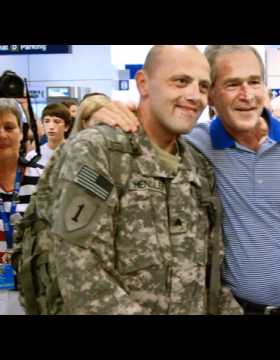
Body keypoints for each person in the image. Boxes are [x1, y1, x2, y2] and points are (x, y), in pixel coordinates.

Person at [93, 45, 280, 315]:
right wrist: (102, 117)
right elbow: (145, 135)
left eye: (254, 82)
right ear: (210, 96)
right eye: (232, 84)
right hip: (232, 307)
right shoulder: (193, 145)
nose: (247, 95)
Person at [48, 45, 241, 314]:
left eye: (203, 86)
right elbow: (80, 271)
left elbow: (210, 278)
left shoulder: (199, 168)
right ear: (143, 83)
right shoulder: (99, 151)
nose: (194, 96)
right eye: (181, 81)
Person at [0, 98, 40, 315]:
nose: (2, 135)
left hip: (33, 293)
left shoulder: (44, 179)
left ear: (22, 132)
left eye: (9, 127)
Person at [25, 103, 72, 175]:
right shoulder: (32, 156)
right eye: (47, 121)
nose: (51, 127)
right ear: (42, 124)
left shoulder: (77, 153)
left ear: (66, 127)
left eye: (57, 122)